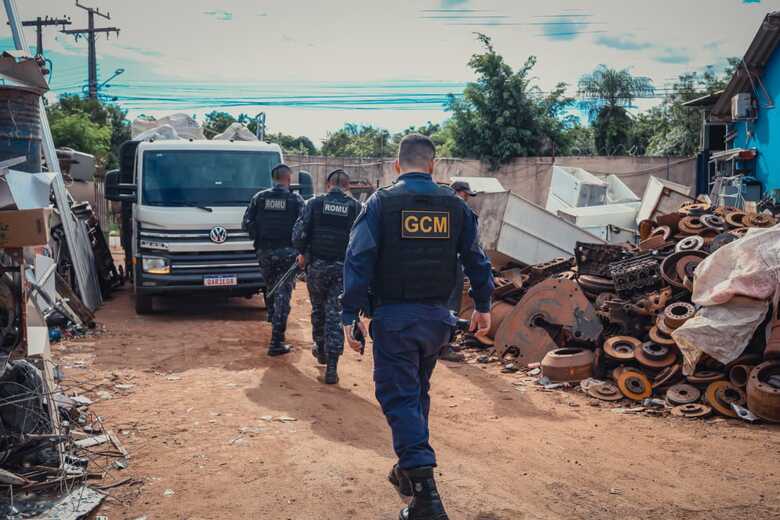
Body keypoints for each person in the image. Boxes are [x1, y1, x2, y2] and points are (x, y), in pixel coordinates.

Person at [341, 134, 494, 520]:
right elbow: (477, 259)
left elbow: (358, 259)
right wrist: (484, 306)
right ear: (432, 165)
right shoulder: (455, 207)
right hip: (437, 323)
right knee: (417, 392)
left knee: (400, 398)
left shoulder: (380, 202)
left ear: (397, 165)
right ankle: (406, 473)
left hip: (395, 322)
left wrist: (349, 314)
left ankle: (426, 498)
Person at [292, 168, 361, 384]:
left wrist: (302, 253)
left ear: (328, 184)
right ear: (347, 186)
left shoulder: (314, 203)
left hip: (317, 268)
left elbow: (299, 233)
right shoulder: (355, 207)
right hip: (343, 270)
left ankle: (320, 349)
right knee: (336, 314)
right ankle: (332, 367)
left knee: (318, 310)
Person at [242, 163, 305, 356]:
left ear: (273, 178)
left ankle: (273, 316)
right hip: (287, 254)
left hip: (265, 253)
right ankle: (276, 342)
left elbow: (246, 223)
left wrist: (260, 240)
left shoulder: (259, 198)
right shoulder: (295, 200)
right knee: (283, 295)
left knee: (271, 288)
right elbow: (304, 227)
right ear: (288, 179)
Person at [439, 180, 480, 363]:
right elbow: (471, 246)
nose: (467, 199)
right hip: (450, 263)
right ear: (457, 192)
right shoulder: (457, 211)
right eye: (465, 195)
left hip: (443, 262)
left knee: (445, 303)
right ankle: (443, 346)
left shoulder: (440, 207)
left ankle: (444, 342)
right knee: (450, 305)